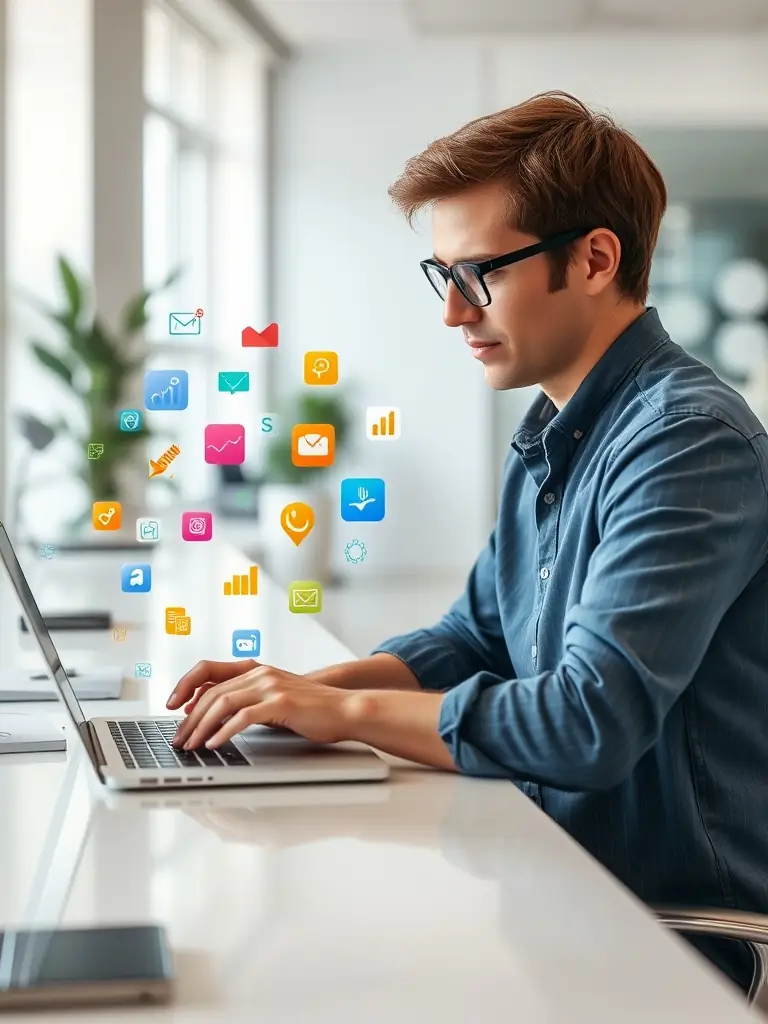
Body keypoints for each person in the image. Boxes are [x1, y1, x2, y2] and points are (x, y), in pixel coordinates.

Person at [168, 91, 768, 995]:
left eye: (480, 273)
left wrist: (343, 716)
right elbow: (474, 637)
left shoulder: (686, 442)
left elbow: (588, 723)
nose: (453, 312)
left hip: (676, 938)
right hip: (562, 886)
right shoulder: (554, 433)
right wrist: (297, 693)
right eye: (441, 275)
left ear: (595, 259)